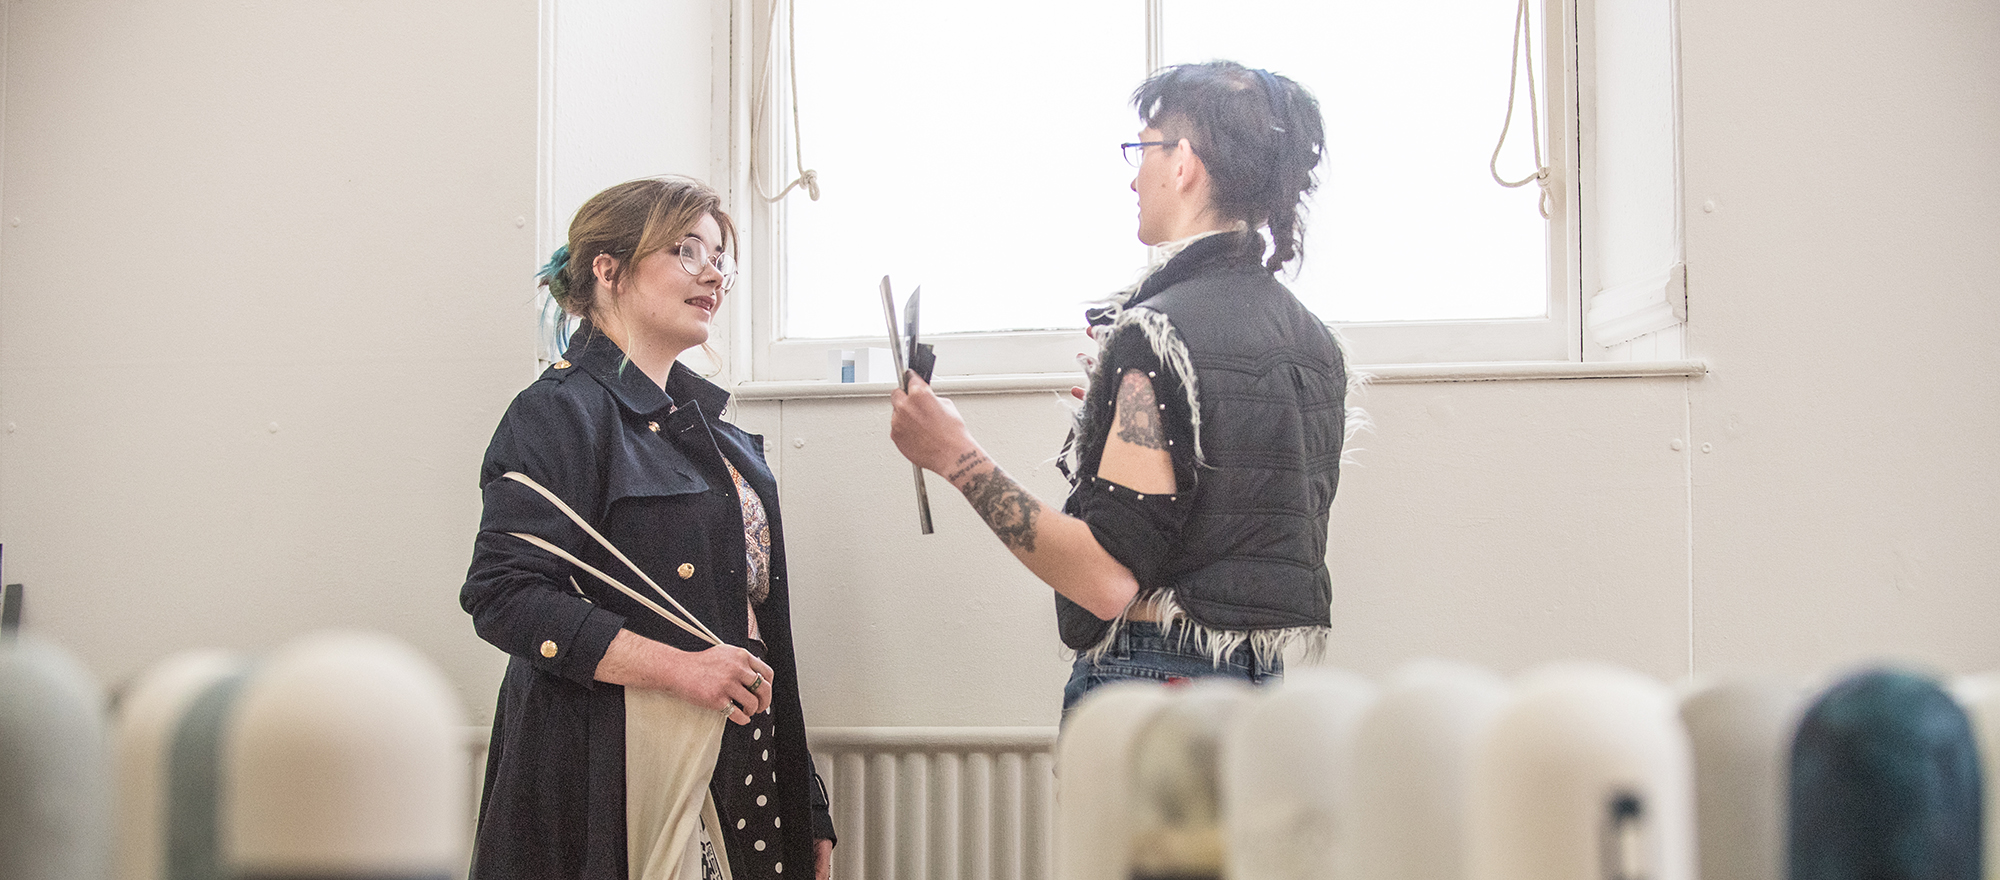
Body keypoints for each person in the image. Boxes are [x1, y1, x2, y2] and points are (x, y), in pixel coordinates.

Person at [889, 61, 1352, 716]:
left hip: (1154, 696)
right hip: (1258, 695)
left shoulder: (1157, 336)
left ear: (1184, 162)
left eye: (1143, 149)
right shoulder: (1313, 343)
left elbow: (1105, 581)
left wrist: (955, 456)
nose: (1134, 176)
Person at [462, 176, 834, 880]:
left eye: (720, 255)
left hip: (738, 752)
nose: (713, 272)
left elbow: (754, 616)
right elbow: (503, 595)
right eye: (686, 249)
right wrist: (682, 671)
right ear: (609, 269)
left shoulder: (717, 435)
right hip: (608, 763)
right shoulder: (559, 413)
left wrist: (802, 793)